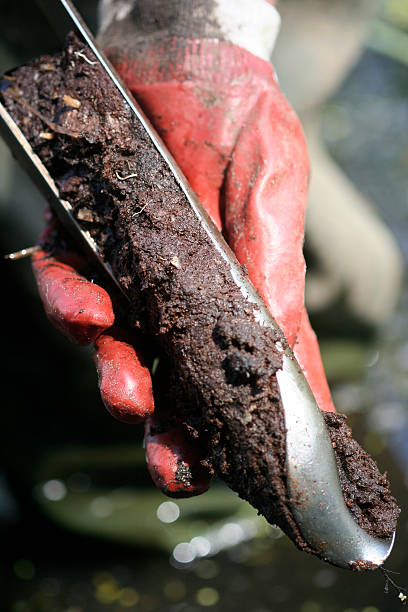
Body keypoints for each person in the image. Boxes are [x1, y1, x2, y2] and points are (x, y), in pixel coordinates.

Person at [32, 0, 336, 497]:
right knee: (76, 342)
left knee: (348, 278)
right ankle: (97, 484)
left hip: (231, 58)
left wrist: (194, 26)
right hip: (75, 53)